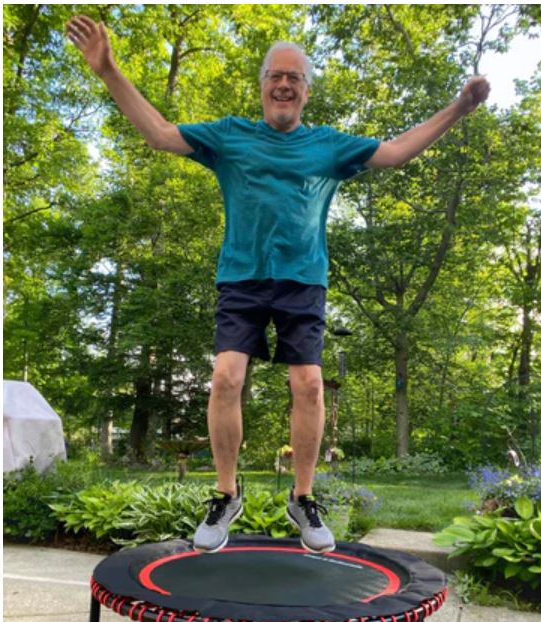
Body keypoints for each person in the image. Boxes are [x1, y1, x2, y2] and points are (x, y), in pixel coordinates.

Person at [66, 16, 490, 554]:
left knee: (309, 384)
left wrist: (458, 109)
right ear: (262, 85)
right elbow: (159, 134)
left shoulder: (328, 145)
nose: (284, 84)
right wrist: (108, 69)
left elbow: (396, 151)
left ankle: (303, 498)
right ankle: (225, 495)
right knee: (225, 377)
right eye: (275, 76)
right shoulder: (230, 136)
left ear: (306, 90)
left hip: (302, 281)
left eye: (294, 77)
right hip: (241, 278)